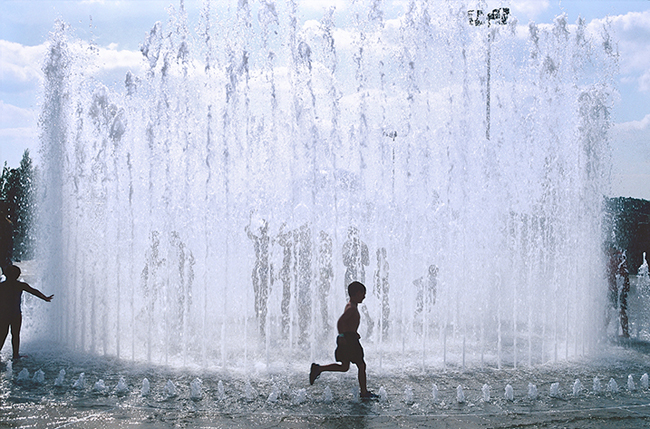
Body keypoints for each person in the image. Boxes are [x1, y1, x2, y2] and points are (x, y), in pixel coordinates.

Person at [309, 281, 378, 399]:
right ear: (357, 293)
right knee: (361, 366)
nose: (364, 296)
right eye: (363, 294)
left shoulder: (352, 306)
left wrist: (353, 332)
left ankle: (319, 368)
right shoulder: (351, 308)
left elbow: (347, 323)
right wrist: (342, 336)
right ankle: (364, 392)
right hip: (348, 340)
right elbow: (341, 321)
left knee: (345, 366)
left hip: (349, 337)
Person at [0, 264, 53, 360]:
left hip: (5, 314)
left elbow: (34, 291)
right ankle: (15, 355)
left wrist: (45, 298)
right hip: (15, 314)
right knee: (14, 334)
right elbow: (34, 291)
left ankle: (15, 354)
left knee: (4, 333)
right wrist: (45, 298)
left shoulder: (3, 285)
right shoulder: (19, 285)